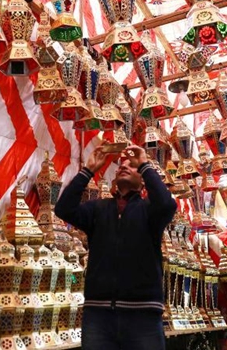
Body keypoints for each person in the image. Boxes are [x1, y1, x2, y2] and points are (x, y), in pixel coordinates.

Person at [55, 144, 177, 350]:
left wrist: (145, 164)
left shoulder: (149, 211)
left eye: (132, 166)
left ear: (143, 182)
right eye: (121, 164)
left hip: (143, 314)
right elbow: (63, 208)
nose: (124, 166)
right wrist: (88, 170)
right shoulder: (99, 208)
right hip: (99, 314)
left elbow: (167, 204)